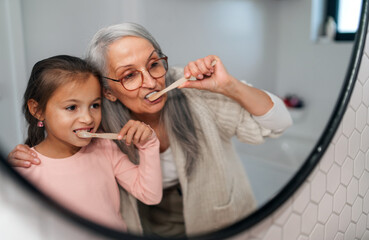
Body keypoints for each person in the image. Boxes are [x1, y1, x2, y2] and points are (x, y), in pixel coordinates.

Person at [8, 23, 292, 237]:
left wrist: (228, 86)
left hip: (228, 221)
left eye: (154, 64)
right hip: (156, 226)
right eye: (129, 75)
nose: (152, 82)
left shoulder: (192, 87)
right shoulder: (95, 124)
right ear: (107, 92)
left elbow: (281, 124)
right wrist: (23, 159)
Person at [13, 55, 162, 232]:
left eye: (95, 105)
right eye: (71, 107)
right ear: (37, 110)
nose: (88, 118)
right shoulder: (26, 168)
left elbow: (150, 196)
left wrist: (149, 145)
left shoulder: (105, 148)